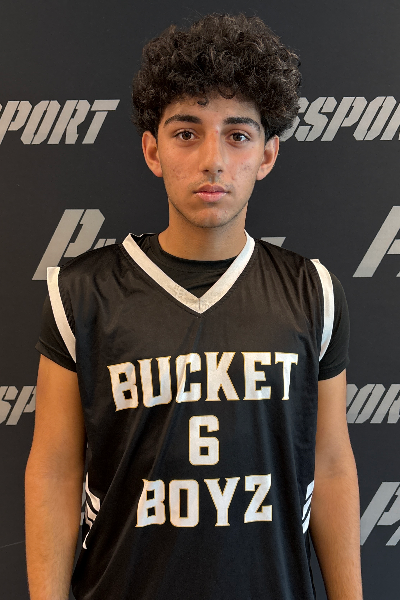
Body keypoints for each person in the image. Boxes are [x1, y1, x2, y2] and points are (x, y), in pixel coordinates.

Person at [25, 12, 363, 600]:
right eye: (187, 133)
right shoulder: (83, 292)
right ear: (152, 150)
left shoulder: (312, 291)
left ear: (267, 155)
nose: (213, 159)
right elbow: (54, 466)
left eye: (238, 135)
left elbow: (331, 462)